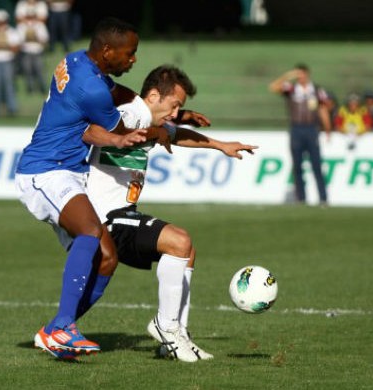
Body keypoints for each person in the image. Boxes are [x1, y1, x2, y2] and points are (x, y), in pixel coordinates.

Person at [84, 65, 258, 362]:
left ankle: (176, 336)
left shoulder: (149, 120)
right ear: (153, 95)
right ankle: (165, 326)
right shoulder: (125, 115)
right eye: (175, 105)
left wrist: (220, 145)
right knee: (179, 239)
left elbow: (176, 135)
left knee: (186, 251)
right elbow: (91, 130)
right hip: (105, 218)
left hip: (124, 213)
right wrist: (118, 139)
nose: (177, 113)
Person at [14, 17, 162, 361]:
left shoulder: (77, 61)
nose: (134, 59)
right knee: (92, 232)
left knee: (108, 259)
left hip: (65, 171)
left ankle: (55, 331)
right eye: (130, 53)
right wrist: (157, 128)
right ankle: (64, 326)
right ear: (108, 50)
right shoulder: (91, 88)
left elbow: (112, 92)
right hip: (45, 171)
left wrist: (147, 109)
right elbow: (121, 128)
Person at [269, 63, 331, 206]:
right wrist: (287, 76)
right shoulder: (291, 89)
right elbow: (273, 87)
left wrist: (327, 129)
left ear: (307, 74)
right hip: (296, 129)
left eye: (301, 74)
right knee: (297, 166)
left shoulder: (316, 90)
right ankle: (301, 199)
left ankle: (323, 198)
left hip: (311, 129)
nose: (300, 77)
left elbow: (323, 109)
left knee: (316, 164)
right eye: (297, 74)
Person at [16, 9, 50, 95]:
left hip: (37, 51)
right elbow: (19, 40)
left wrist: (35, 37)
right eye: (28, 17)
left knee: (40, 70)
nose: (30, 19)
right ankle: (30, 89)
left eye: (32, 16)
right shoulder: (21, 26)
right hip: (26, 51)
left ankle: (43, 88)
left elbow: (44, 38)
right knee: (28, 71)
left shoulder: (40, 26)